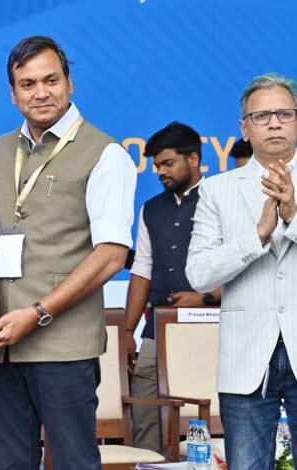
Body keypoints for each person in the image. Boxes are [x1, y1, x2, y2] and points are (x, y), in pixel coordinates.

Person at [0, 36, 136, 469]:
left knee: (73, 463)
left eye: (51, 80)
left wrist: (37, 312)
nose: (40, 93)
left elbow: (111, 255)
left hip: (63, 346)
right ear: (13, 93)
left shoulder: (105, 154)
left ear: (69, 83)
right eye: (27, 84)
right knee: (8, 464)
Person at [186, 73, 297, 468]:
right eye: (262, 116)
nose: (274, 123)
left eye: (284, 114)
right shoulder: (217, 190)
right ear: (245, 128)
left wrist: (292, 217)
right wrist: (257, 236)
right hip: (246, 356)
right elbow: (199, 274)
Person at [124, 122, 220, 453]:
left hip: (214, 325)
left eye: (167, 163)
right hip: (157, 328)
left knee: (213, 410)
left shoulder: (220, 199)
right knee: (145, 406)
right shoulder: (151, 209)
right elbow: (141, 271)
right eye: (157, 166)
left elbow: (245, 265)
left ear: (193, 159)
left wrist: (205, 298)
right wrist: (128, 331)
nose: (161, 172)